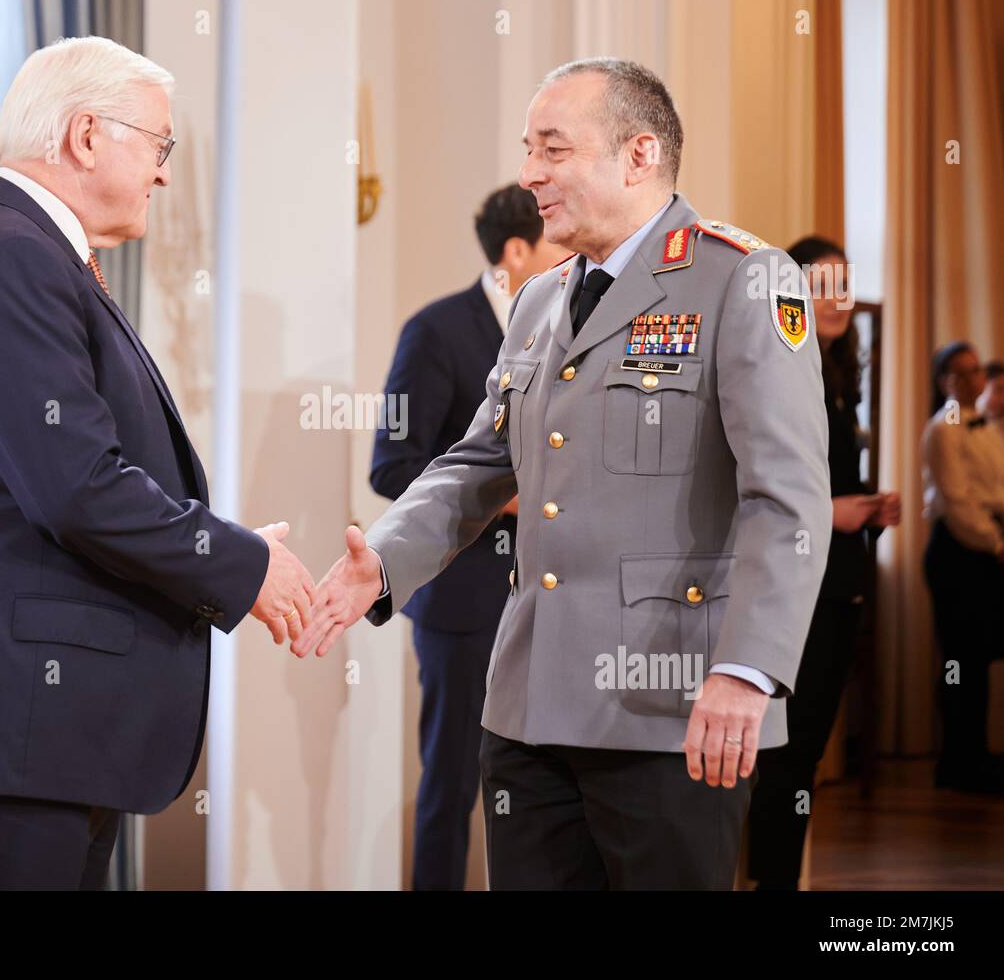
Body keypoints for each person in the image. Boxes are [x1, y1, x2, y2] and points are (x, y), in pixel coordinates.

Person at [296, 58, 831, 890]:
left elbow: (787, 498)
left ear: (639, 154)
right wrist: (387, 556)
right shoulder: (542, 301)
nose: (528, 174)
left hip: (674, 707)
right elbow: (480, 461)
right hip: (531, 709)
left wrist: (747, 667)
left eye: (552, 149)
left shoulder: (744, 280)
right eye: (528, 149)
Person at [0, 37, 315, 890]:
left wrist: (210, 549)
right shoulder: (7, 258)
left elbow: (64, 478)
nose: (164, 174)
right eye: (158, 144)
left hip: (35, 732)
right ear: (84, 137)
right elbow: (75, 489)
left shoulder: (11, 247)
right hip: (10, 736)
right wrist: (238, 563)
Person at [370, 183, 566, 890]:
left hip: (551, 604)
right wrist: (504, 499)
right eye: (556, 243)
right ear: (518, 251)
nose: (570, 257)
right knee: (451, 787)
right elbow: (390, 464)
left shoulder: (567, 325)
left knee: (544, 795)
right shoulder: (432, 330)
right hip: (462, 603)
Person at [745, 237, 901, 889]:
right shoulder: (779, 366)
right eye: (822, 284)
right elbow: (760, 481)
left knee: (805, 750)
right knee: (785, 750)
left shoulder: (840, 375)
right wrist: (834, 512)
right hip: (798, 585)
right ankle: (768, 879)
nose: (837, 299)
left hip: (839, 582)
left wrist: (866, 506)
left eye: (844, 285)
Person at [921, 341, 1004, 794]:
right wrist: (995, 543)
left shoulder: (985, 426)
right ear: (945, 381)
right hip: (959, 553)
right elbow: (957, 502)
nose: (976, 380)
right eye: (964, 372)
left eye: (978, 371)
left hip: (984, 550)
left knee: (978, 657)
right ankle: (958, 762)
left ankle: (977, 756)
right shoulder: (945, 428)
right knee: (959, 658)